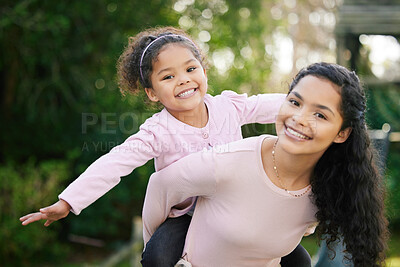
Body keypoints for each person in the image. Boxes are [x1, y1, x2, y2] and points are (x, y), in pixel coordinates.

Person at [19, 26, 311, 266]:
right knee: (157, 258)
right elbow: (116, 161)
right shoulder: (158, 131)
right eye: (168, 76)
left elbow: (272, 106)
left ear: (204, 72)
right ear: (152, 93)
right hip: (185, 216)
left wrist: (310, 107)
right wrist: (69, 201)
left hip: (236, 205)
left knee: (297, 257)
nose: (183, 80)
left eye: (190, 69)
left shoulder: (227, 107)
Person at [142, 62, 389, 266]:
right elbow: (161, 185)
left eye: (320, 115)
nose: (299, 119)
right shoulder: (228, 162)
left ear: (341, 133)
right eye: (294, 102)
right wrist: (155, 248)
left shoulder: (328, 186)